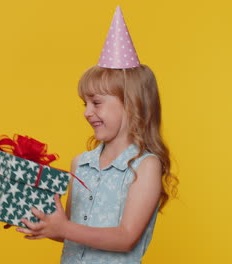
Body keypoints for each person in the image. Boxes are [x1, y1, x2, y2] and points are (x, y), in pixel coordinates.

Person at [16, 6, 178, 264]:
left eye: (96, 102)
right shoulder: (80, 163)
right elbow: (71, 230)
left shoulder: (145, 166)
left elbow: (126, 237)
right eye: (85, 104)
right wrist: (46, 225)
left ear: (131, 103)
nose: (87, 112)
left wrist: (64, 228)